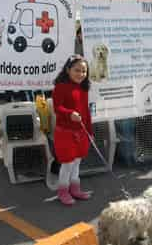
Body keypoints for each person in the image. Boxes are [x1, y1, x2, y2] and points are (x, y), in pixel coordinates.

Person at [52, 54, 92, 205]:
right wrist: (70, 114)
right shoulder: (60, 87)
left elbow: (86, 111)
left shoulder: (83, 88)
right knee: (67, 163)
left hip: (81, 132)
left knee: (76, 162)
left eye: (84, 71)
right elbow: (57, 108)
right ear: (68, 70)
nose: (81, 74)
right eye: (77, 70)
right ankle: (63, 191)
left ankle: (75, 189)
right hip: (65, 133)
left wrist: (90, 131)